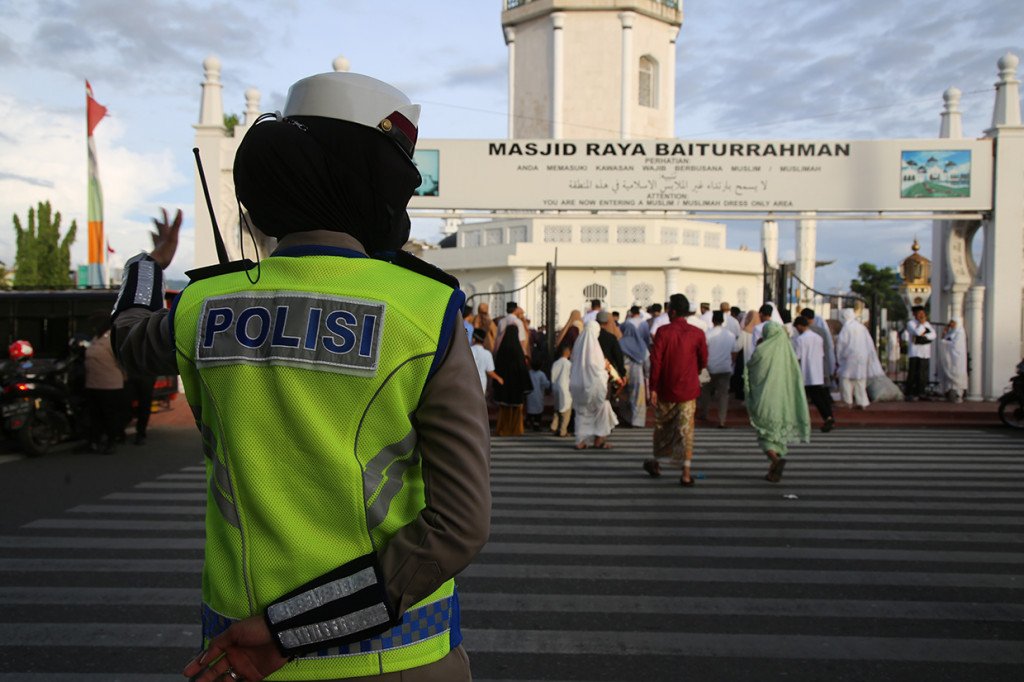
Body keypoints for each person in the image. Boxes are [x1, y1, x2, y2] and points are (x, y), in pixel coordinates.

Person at [111, 72, 490, 682]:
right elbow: (459, 525)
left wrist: (149, 266)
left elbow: (128, 338)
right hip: (396, 659)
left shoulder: (205, 304)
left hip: (236, 658)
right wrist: (294, 630)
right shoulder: (424, 312)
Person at [644, 294, 708, 486]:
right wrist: (692, 372)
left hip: (665, 389)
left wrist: (653, 388)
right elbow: (703, 360)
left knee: (662, 428)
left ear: (672, 311)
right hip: (688, 390)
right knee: (686, 430)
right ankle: (686, 473)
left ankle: (658, 463)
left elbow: (656, 361)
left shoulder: (663, 332)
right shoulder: (697, 333)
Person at [744, 321, 811, 483]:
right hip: (782, 401)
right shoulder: (787, 353)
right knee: (777, 437)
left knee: (765, 435)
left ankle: (776, 461)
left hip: (765, 400)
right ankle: (772, 472)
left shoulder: (761, 350)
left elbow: (751, 370)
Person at [569, 320, 618, 449]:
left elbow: (573, 362)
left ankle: (580, 441)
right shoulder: (595, 347)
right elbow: (599, 368)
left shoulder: (579, 344)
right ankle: (599, 439)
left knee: (581, 413)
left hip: (578, 385)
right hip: (594, 387)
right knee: (602, 408)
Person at [84, 311, 128, 454]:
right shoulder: (96, 339)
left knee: (110, 415)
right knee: (95, 415)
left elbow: (121, 360)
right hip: (93, 384)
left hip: (110, 385)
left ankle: (111, 441)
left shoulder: (112, 338)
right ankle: (94, 441)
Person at [793, 315, 835, 432]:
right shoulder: (818, 337)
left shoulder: (800, 339)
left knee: (812, 398)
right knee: (821, 396)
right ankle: (829, 416)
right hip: (817, 372)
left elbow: (797, 357)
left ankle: (826, 417)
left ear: (800, 326)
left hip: (806, 373)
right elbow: (822, 354)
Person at [836, 309, 884, 409]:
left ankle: (847, 400)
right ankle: (862, 402)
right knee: (860, 379)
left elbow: (841, 344)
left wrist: (839, 357)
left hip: (849, 357)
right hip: (862, 357)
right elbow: (869, 343)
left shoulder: (846, 327)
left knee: (845, 378)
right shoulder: (861, 327)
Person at [698, 310, 736, 428]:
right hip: (725, 367)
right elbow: (734, 352)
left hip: (710, 367)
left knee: (706, 392)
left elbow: (702, 351)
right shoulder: (730, 335)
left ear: (713, 320)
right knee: (723, 395)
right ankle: (722, 420)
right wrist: (730, 364)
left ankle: (704, 414)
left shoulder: (708, 334)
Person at [493, 324, 532, 437]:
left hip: (504, 386)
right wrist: (525, 386)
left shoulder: (502, 351)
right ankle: (516, 430)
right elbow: (523, 370)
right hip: (516, 387)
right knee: (516, 408)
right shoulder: (518, 352)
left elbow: (497, 367)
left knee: (504, 408)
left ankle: (503, 429)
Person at [618, 319, 650, 428]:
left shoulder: (620, 342)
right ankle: (636, 421)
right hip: (637, 372)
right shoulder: (641, 344)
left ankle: (626, 418)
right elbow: (646, 360)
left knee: (624, 396)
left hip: (623, 372)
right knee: (637, 396)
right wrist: (647, 375)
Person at [904, 306, 937, 401]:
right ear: (914, 314)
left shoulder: (927, 324)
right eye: (919, 314)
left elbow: (933, 335)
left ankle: (921, 392)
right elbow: (917, 333)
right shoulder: (911, 323)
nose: (922, 316)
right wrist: (921, 325)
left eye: (923, 313)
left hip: (925, 353)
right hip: (915, 352)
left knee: (922, 374)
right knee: (913, 373)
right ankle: (909, 393)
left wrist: (924, 336)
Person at [800, 308, 836, 387]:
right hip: (820, 364)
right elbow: (826, 348)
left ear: (805, 317)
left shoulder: (803, 330)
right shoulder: (821, 331)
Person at [938, 317, 967, 402]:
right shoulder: (951, 332)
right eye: (951, 322)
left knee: (957, 373)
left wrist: (946, 343)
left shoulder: (960, 332)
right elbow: (944, 340)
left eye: (953, 322)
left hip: (957, 359)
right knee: (948, 373)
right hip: (950, 358)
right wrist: (944, 332)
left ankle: (958, 394)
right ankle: (948, 393)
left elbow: (956, 345)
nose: (951, 324)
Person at [549, 344, 573, 437]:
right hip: (566, 389)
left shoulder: (555, 363)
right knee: (566, 411)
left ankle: (554, 425)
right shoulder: (569, 364)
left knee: (558, 407)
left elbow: (552, 377)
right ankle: (563, 430)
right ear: (568, 353)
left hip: (556, 387)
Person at [471, 327, 502, 395]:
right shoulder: (487, 353)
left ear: (473, 339)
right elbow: (490, 371)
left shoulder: (468, 351)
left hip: (469, 381)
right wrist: (499, 378)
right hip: (481, 383)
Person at [525, 357, 551, 431]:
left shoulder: (529, 373)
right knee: (538, 411)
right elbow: (546, 384)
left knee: (530, 410)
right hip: (538, 395)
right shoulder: (541, 374)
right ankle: (536, 425)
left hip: (530, 394)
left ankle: (528, 422)